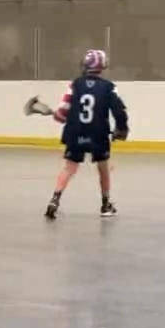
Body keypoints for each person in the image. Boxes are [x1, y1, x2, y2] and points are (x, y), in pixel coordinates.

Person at [44, 50, 128, 219]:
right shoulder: (109, 87)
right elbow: (119, 110)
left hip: (75, 131)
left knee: (69, 168)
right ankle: (105, 204)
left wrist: (59, 116)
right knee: (103, 168)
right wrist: (122, 129)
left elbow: (63, 111)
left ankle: (54, 200)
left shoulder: (75, 85)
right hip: (98, 133)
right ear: (102, 67)